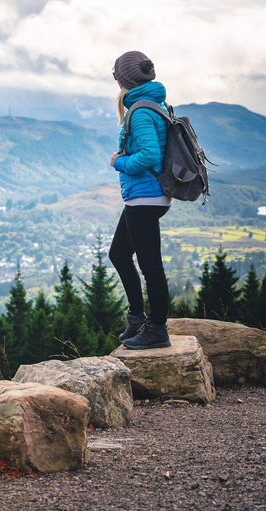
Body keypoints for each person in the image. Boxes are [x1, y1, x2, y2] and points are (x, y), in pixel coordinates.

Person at [108, 50, 172, 349]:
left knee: (150, 266)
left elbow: (149, 155)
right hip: (143, 197)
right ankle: (137, 317)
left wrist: (118, 162)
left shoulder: (142, 111)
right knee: (118, 254)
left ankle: (157, 329)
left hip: (146, 196)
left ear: (124, 80)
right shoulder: (152, 104)